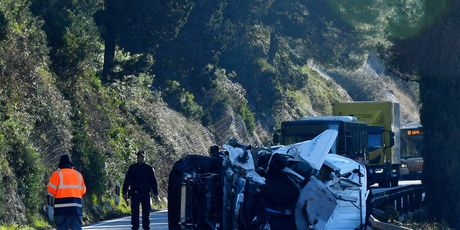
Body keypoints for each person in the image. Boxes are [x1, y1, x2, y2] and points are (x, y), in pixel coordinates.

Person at [47, 154, 86, 230]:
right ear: (70, 165)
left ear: (60, 165)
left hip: (61, 210)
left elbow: (51, 191)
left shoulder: (57, 174)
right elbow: (83, 191)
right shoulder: (78, 175)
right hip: (76, 210)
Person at [123, 150, 159, 230]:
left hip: (145, 194)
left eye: (142, 157)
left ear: (144, 157)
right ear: (137, 157)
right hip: (135, 194)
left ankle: (146, 228)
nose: (141, 158)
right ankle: (135, 228)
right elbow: (127, 180)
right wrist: (124, 192)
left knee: (146, 213)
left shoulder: (149, 168)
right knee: (135, 213)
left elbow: (153, 181)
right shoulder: (132, 168)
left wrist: (156, 194)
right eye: (139, 157)